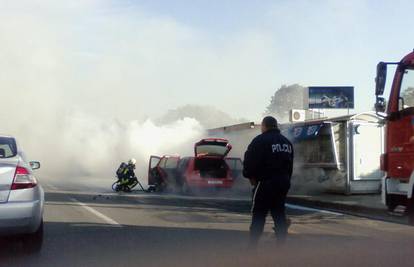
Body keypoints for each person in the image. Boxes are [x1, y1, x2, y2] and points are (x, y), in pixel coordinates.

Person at [243, 116, 294, 247]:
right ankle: (281, 246)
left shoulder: (260, 140)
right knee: (279, 213)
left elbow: (249, 161)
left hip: (265, 182)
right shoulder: (286, 142)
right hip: (283, 183)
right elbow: (290, 166)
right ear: (276, 126)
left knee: (259, 214)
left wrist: (249, 176)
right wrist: (286, 180)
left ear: (264, 126)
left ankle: (252, 247)